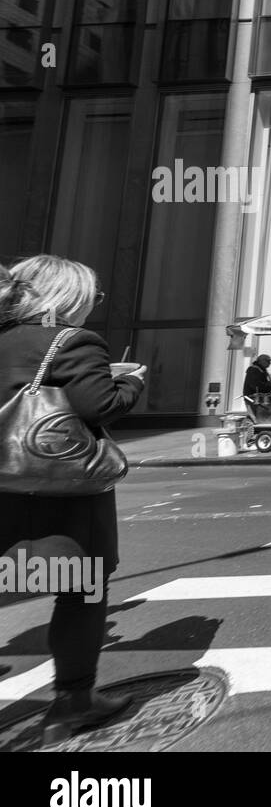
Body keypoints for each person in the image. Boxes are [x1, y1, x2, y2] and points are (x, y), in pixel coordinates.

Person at [0, 256, 147, 746]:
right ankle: (73, 702)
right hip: (59, 499)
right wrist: (131, 381)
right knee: (80, 591)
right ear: (66, 297)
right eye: (91, 295)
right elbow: (101, 405)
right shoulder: (71, 341)